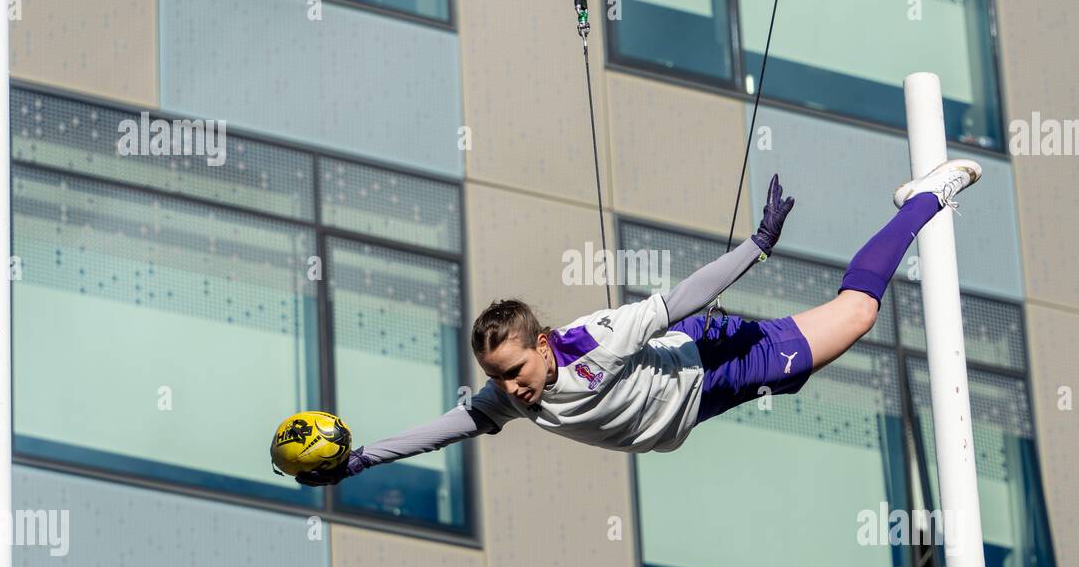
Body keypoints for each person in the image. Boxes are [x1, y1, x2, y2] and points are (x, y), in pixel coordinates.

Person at [295, 159, 981, 486]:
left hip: (713, 361)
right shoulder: (503, 400)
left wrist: (758, 246)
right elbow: (434, 434)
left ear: (541, 343)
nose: (510, 388)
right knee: (846, 325)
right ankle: (914, 203)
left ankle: (920, 202)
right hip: (694, 407)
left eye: (513, 370)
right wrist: (355, 462)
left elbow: (679, 299)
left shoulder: (595, 338)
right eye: (497, 379)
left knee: (856, 315)